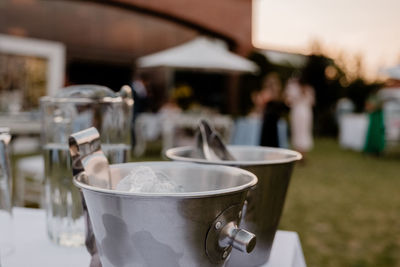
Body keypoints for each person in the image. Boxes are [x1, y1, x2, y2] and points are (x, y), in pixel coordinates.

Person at [284, 76, 315, 159]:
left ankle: (303, 154)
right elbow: (288, 102)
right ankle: (298, 154)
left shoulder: (308, 89)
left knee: (304, 132)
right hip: (297, 112)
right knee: (297, 132)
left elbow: (312, 102)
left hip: (305, 112)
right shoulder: (293, 88)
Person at [259, 73, 288, 147]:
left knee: (274, 140)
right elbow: (261, 105)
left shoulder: (279, 95)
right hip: (267, 120)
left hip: (274, 121)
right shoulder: (265, 93)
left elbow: (284, 106)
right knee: (266, 140)